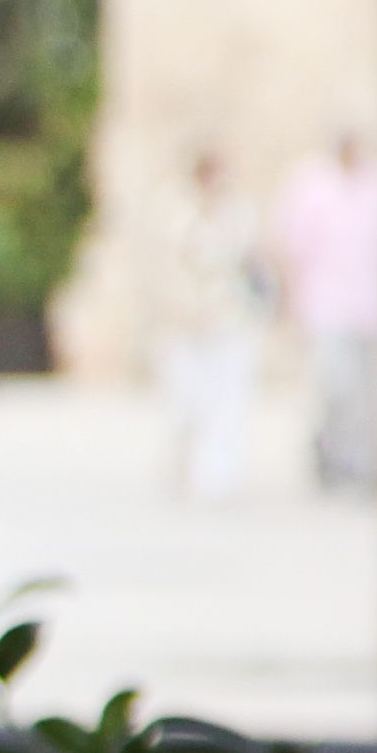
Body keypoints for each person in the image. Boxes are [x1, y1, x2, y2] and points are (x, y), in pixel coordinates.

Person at [272, 131, 377, 493]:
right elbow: (292, 245)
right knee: (336, 387)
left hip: (372, 304)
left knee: (369, 392)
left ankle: (359, 463)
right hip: (326, 304)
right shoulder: (311, 185)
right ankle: (330, 453)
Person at [152, 150, 265, 501]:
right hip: (182, 319)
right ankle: (184, 465)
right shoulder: (174, 207)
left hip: (228, 316)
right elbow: (167, 259)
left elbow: (245, 255)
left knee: (227, 398)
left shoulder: (237, 210)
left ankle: (219, 474)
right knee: (185, 399)